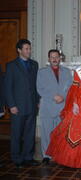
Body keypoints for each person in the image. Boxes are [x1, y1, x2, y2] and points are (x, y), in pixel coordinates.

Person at [46, 43, 81, 168]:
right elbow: (74, 89)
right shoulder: (79, 70)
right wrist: (74, 103)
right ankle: (74, 159)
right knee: (76, 131)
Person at [4, 39, 40, 168]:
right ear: (19, 50)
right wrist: (11, 105)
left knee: (30, 133)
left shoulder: (34, 64)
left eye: (29, 48)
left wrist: (38, 100)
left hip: (31, 105)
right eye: (26, 49)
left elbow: (36, 85)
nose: (29, 51)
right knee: (17, 134)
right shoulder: (11, 65)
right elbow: (7, 87)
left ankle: (28, 157)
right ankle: (17, 159)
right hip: (17, 106)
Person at [36, 49, 72, 165]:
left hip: (62, 106)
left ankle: (58, 154)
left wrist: (63, 97)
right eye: (52, 57)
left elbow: (71, 88)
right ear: (49, 59)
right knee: (46, 133)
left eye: (56, 57)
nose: (55, 59)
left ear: (60, 58)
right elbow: (39, 88)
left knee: (60, 133)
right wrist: (53, 96)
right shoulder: (42, 72)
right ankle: (46, 155)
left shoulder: (67, 72)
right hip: (48, 106)